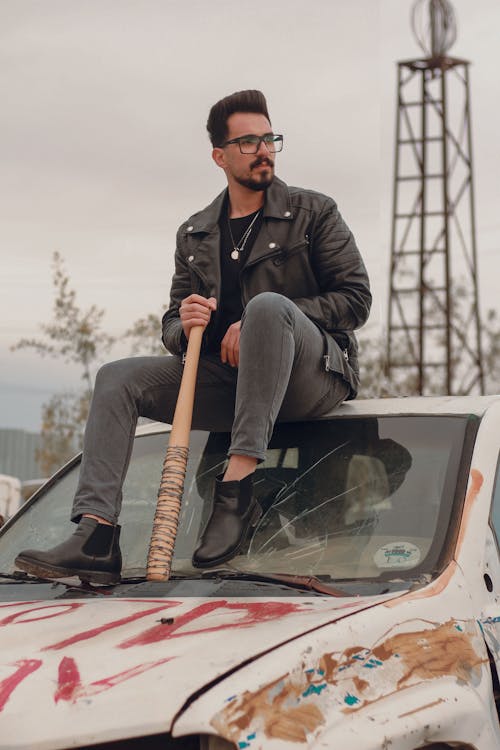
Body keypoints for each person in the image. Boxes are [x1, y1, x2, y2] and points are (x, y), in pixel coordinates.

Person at [16, 89, 372, 584]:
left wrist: (266, 321)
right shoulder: (195, 233)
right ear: (220, 156)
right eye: (249, 142)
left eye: (270, 139)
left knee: (267, 308)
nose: (264, 150)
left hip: (312, 378)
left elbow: (355, 300)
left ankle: (237, 490)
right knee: (117, 377)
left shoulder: (313, 212)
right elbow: (169, 326)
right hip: (230, 385)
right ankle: (97, 535)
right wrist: (183, 325)